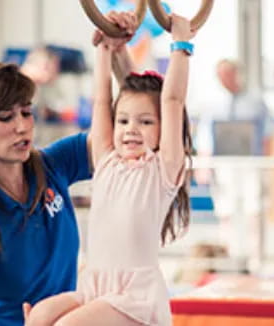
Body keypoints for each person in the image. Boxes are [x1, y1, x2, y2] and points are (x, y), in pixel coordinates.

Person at [23, 11, 194, 326]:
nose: (131, 129)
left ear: (161, 132)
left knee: (65, 325)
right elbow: (102, 101)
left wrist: (181, 44)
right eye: (124, 120)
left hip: (134, 296)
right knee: (40, 316)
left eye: (145, 122)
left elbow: (172, 101)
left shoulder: (162, 171)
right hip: (95, 285)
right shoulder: (107, 161)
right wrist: (103, 49)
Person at [0, 62, 93, 326]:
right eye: (5, 117)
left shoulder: (53, 165)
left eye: (26, 112)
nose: (22, 127)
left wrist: (114, 55)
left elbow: (129, 128)